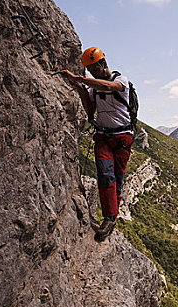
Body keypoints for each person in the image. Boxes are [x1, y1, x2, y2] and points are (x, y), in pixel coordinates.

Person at [60, 47, 135, 241]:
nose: (93, 72)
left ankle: (111, 217)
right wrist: (81, 90)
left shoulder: (121, 81)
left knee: (116, 178)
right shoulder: (93, 89)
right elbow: (90, 111)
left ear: (104, 64)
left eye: (95, 69)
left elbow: (109, 88)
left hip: (122, 138)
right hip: (104, 136)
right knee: (104, 172)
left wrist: (81, 80)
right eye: (90, 71)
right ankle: (109, 217)